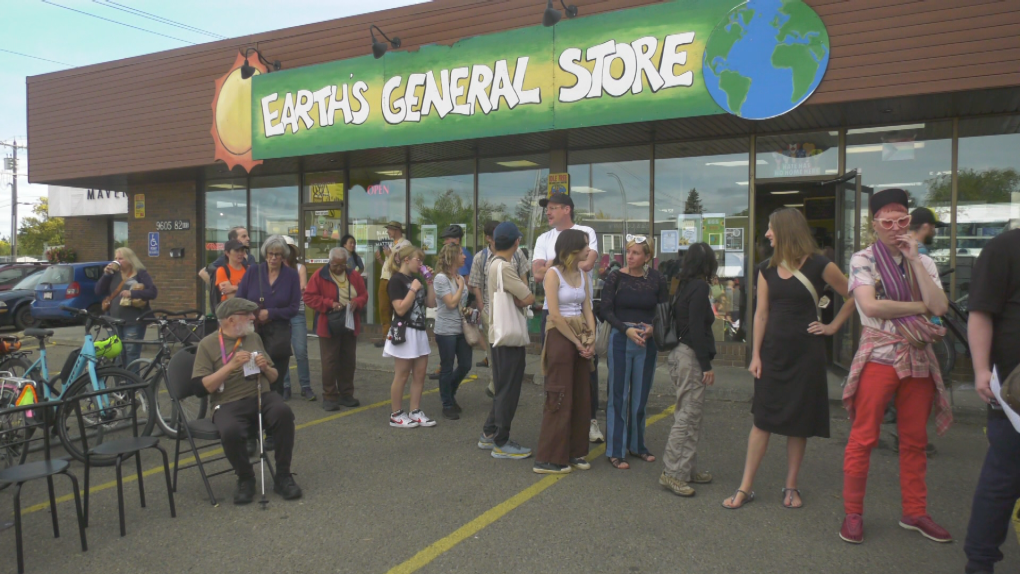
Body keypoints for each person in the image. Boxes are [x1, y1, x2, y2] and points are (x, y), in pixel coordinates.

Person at [839, 188, 952, 544]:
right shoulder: (862, 260)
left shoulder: (924, 261)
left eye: (902, 221)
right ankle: (853, 512)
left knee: (915, 439)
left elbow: (942, 307)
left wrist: (915, 260)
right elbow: (871, 308)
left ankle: (915, 512)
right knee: (863, 436)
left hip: (917, 357)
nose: (895, 227)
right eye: (887, 222)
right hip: (880, 356)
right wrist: (921, 307)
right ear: (874, 224)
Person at [723, 208, 851, 510]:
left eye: (771, 228)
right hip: (772, 355)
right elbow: (761, 313)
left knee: (798, 422)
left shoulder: (820, 264)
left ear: (786, 231)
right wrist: (754, 355)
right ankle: (745, 488)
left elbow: (855, 294)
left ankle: (791, 487)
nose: (767, 234)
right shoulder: (766, 268)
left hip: (807, 355)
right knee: (762, 421)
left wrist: (832, 326)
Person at [191, 297, 301, 504]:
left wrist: (266, 368)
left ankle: (283, 475)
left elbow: (275, 378)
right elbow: (199, 389)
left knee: (283, 413)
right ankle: (245, 477)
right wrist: (230, 366)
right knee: (230, 429)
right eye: (247, 314)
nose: (253, 317)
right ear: (231, 320)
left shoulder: (253, 338)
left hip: (261, 395)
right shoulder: (208, 344)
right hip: (227, 401)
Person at [963, 225, 1020, 574]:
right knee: (1003, 480)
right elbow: (981, 312)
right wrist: (981, 369)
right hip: (1014, 392)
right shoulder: (1005, 248)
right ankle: (980, 562)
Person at [532, 193, 604, 444]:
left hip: (581, 312)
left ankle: (590, 420)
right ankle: (556, 418)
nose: (548, 213)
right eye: (547, 209)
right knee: (556, 369)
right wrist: (560, 260)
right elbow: (538, 274)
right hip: (553, 315)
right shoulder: (544, 238)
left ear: (567, 209)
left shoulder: (585, 232)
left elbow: (586, 264)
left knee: (587, 369)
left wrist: (555, 263)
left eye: (552, 208)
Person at [600, 235, 667, 470]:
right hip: (621, 338)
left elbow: (663, 310)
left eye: (636, 252)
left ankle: (637, 445)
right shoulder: (616, 277)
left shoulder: (657, 279)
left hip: (646, 342)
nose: (630, 256)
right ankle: (615, 450)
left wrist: (652, 329)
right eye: (628, 252)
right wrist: (625, 330)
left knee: (640, 396)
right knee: (619, 396)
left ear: (647, 257)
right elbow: (605, 310)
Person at [534, 229, 596, 474]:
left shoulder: (581, 273)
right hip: (560, 337)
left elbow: (587, 307)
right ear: (571, 249)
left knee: (581, 394)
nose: (589, 250)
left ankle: (574, 451)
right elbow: (555, 315)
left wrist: (591, 338)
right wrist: (578, 343)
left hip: (580, 334)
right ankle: (549, 458)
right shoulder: (553, 273)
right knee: (559, 395)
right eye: (585, 246)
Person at [660, 243, 717, 496]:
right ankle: (672, 473)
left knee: (690, 414)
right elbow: (696, 326)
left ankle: (687, 469)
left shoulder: (682, 285)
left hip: (678, 354)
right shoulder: (700, 287)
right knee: (687, 416)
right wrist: (706, 365)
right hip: (690, 356)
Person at [479, 222, 535, 459]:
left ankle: (490, 432)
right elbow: (528, 296)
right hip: (508, 337)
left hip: (497, 334)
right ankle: (501, 441)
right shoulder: (505, 267)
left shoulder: (492, 263)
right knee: (508, 390)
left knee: (502, 386)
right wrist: (523, 299)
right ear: (516, 243)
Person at [235, 235, 301, 399]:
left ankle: (273, 413)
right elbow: (239, 299)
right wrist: (253, 314)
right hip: (253, 331)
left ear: (283, 256)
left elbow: (293, 308)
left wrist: (271, 313)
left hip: (278, 333)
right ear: (265, 254)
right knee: (251, 375)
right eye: (270, 253)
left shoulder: (291, 276)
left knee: (275, 379)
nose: (273, 258)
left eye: (277, 254)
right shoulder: (253, 271)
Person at [303, 247, 367, 411]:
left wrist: (357, 302)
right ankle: (330, 396)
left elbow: (363, 295)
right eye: (336, 265)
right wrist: (329, 304)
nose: (339, 268)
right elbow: (309, 297)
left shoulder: (354, 275)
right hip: (329, 322)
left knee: (348, 360)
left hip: (349, 321)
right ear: (329, 262)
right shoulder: (320, 275)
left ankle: (346, 394)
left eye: (342, 265)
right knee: (330, 361)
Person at [384, 243, 438, 428]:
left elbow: (431, 304)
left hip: (419, 330)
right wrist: (413, 289)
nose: (421, 263)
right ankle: (396, 414)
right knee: (402, 374)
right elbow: (399, 308)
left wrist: (429, 283)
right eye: (419, 259)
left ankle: (415, 411)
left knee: (420, 373)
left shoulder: (417, 279)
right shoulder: (396, 281)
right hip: (404, 330)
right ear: (406, 259)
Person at [469, 221, 531, 377]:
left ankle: (499, 386)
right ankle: (496, 384)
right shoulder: (481, 258)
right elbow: (475, 284)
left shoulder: (517, 255)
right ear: (488, 238)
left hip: (513, 310)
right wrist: (482, 307)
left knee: (511, 353)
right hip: (491, 311)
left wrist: (522, 299)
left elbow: (524, 277)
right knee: (496, 354)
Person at [96, 247, 158, 370]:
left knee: (131, 354)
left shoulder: (140, 273)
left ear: (129, 259)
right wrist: (106, 275)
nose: (117, 261)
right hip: (114, 321)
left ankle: (132, 386)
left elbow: (153, 292)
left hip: (133, 320)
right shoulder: (113, 274)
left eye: (121, 258)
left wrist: (133, 294)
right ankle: (121, 386)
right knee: (118, 355)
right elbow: (98, 291)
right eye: (116, 258)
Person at [433, 243, 472, 420]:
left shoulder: (458, 277)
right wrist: (462, 285)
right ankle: (447, 404)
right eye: (461, 254)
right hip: (446, 329)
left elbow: (461, 303)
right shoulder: (441, 279)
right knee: (447, 367)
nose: (464, 257)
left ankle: (450, 392)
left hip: (461, 328)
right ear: (452, 257)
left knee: (465, 364)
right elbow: (450, 303)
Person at [279, 235, 315, 402]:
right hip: (280, 315)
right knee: (283, 352)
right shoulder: (274, 268)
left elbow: (302, 289)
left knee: (301, 352)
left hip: (296, 313)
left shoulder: (299, 267)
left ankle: (305, 386)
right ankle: (285, 386)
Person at [199, 226, 256, 307]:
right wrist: (216, 288)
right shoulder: (225, 260)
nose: (248, 238)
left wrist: (234, 288)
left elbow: (254, 287)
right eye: (244, 236)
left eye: (247, 235)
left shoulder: (251, 258)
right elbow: (202, 272)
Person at [375, 221, 411, 348]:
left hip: (396, 281)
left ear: (396, 230)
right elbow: (389, 265)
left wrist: (390, 255)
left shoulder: (405, 245)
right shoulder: (391, 244)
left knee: (397, 309)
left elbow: (402, 265)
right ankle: (386, 337)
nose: (387, 232)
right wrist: (381, 259)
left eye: (389, 229)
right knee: (384, 309)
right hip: (385, 279)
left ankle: (398, 335)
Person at [214, 239, 249, 303]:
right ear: (227, 253)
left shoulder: (249, 269)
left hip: (248, 308)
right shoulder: (222, 270)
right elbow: (231, 298)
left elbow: (255, 292)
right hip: (230, 309)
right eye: (237, 250)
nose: (240, 253)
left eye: (242, 250)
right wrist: (246, 290)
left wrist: (234, 288)